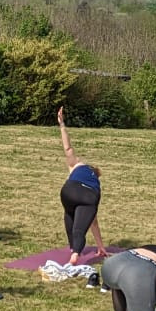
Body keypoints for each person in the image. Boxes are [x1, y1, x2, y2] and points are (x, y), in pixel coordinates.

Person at [57, 108, 106, 264]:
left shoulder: (77, 165)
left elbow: (68, 148)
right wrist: (100, 246)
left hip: (68, 190)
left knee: (70, 213)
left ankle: (73, 248)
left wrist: (62, 124)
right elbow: (93, 221)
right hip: (88, 196)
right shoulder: (95, 183)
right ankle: (75, 254)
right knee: (80, 227)